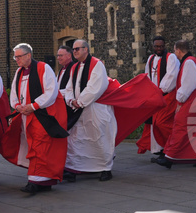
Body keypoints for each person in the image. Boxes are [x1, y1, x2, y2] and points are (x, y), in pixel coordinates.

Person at [7, 43, 68, 193]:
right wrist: (17, 106)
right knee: (31, 145)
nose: (16, 59)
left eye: (19, 56)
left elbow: (51, 92)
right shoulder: (19, 72)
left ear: (28, 55)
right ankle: (40, 181)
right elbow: (14, 93)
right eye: (15, 57)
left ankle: (35, 182)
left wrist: (33, 106)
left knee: (41, 146)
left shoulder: (43, 68)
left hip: (41, 115)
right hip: (25, 115)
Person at [154, 40, 196, 168]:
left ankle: (170, 158)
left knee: (180, 126)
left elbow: (189, 85)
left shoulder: (189, 62)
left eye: (175, 50)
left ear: (179, 50)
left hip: (193, 103)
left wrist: (180, 100)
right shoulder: (190, 61)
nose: (174, 53)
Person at [62, 40, 117, 181]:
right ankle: (75, 168)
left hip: (95, 108)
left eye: (77, 49)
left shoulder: (96, 64)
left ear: (86, 49)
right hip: (78, 109)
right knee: (77, 138)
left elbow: (96, 86)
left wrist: (80, 101)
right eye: (73, 49)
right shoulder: (74, 67)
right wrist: (70, 100)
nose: (74, 51)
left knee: (99, 137)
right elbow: (69, 88)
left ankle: (105, 168)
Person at [137, 36, 179, 158]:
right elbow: (147, 76)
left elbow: (172, 76)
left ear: (164, 45)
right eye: (156, 46)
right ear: (153, 46)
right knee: (153, 124)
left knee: (162, 123)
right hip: (154, 97)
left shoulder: (171, 58)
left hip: (167, 96)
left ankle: (172, 147)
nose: (159, 48)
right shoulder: (150, 59)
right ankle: (160, 150)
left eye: (161, 46)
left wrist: (161, 90)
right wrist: (149, 92)